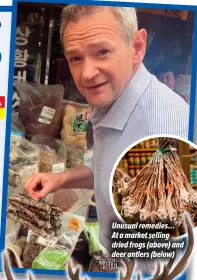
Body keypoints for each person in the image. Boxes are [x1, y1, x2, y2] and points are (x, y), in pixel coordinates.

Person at [25, 5, 189, 258]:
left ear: (136, 47)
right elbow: (109, 170)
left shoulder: (162, 129)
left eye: (102, 52)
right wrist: (59, 180)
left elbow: (163, 257)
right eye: (76, 58)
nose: (87, 74)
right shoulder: (115, 101)